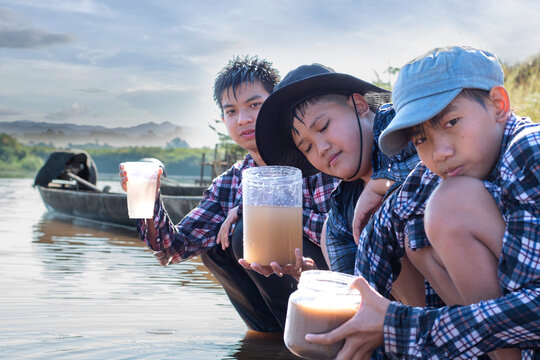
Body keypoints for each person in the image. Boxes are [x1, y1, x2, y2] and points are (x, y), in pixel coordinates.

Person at [306, 46, 540, 359]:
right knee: (413, 231)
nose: (439, 151)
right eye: (420, 139)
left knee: (450, 205)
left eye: (451, 122)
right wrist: (354, 319)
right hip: (508, 334)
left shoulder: (530, 151)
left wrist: (398, 326)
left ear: (498, 104)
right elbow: (383, 230)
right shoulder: (445, 168)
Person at [119, 55, 339, 333]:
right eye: (231, 111)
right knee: (214, 246)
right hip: (277, 310)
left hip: (329, 285)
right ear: (223, 118)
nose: (243, 120)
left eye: (255, 105)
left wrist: (257, 211)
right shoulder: (232, 180)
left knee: (244, 230)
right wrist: (145, 197)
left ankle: (315, 331)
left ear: (276, 105)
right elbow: (170, 250)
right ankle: (269, 337)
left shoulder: (315, 158)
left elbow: (339, 234)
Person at [252, 63, 420, 281]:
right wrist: (306, 273)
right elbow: (354, 293)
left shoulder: (401, 125)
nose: (321, 149)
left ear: (359, 105)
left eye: (323, 127)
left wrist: (381, 184)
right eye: (307, 147)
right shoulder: (340, 216)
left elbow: (444, 159)